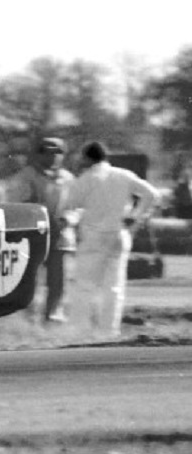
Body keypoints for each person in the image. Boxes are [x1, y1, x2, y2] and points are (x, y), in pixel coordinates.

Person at [61, 140, 160, 338]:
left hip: (93, 236)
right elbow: (152, 194)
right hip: (119, 234)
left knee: (85, 286)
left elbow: (68, 208)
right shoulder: (122, 175)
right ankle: (109, 331)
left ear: (87, 157)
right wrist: (136, 215)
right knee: (114, 287)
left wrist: (71, 220)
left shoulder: (84, 180)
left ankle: (78, 330)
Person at [11, 136, 75, 322]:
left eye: (58, 152)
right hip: (34, 235)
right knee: (31, 278)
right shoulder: (27, 176)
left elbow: (77, 205)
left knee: (59, 280)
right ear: (39, 154)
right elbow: (19, 203)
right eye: (48, 152)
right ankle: (28, 316)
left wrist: (68, 218)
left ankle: (54, 314)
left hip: (61, 235)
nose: (53, 156)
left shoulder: (68, 179)